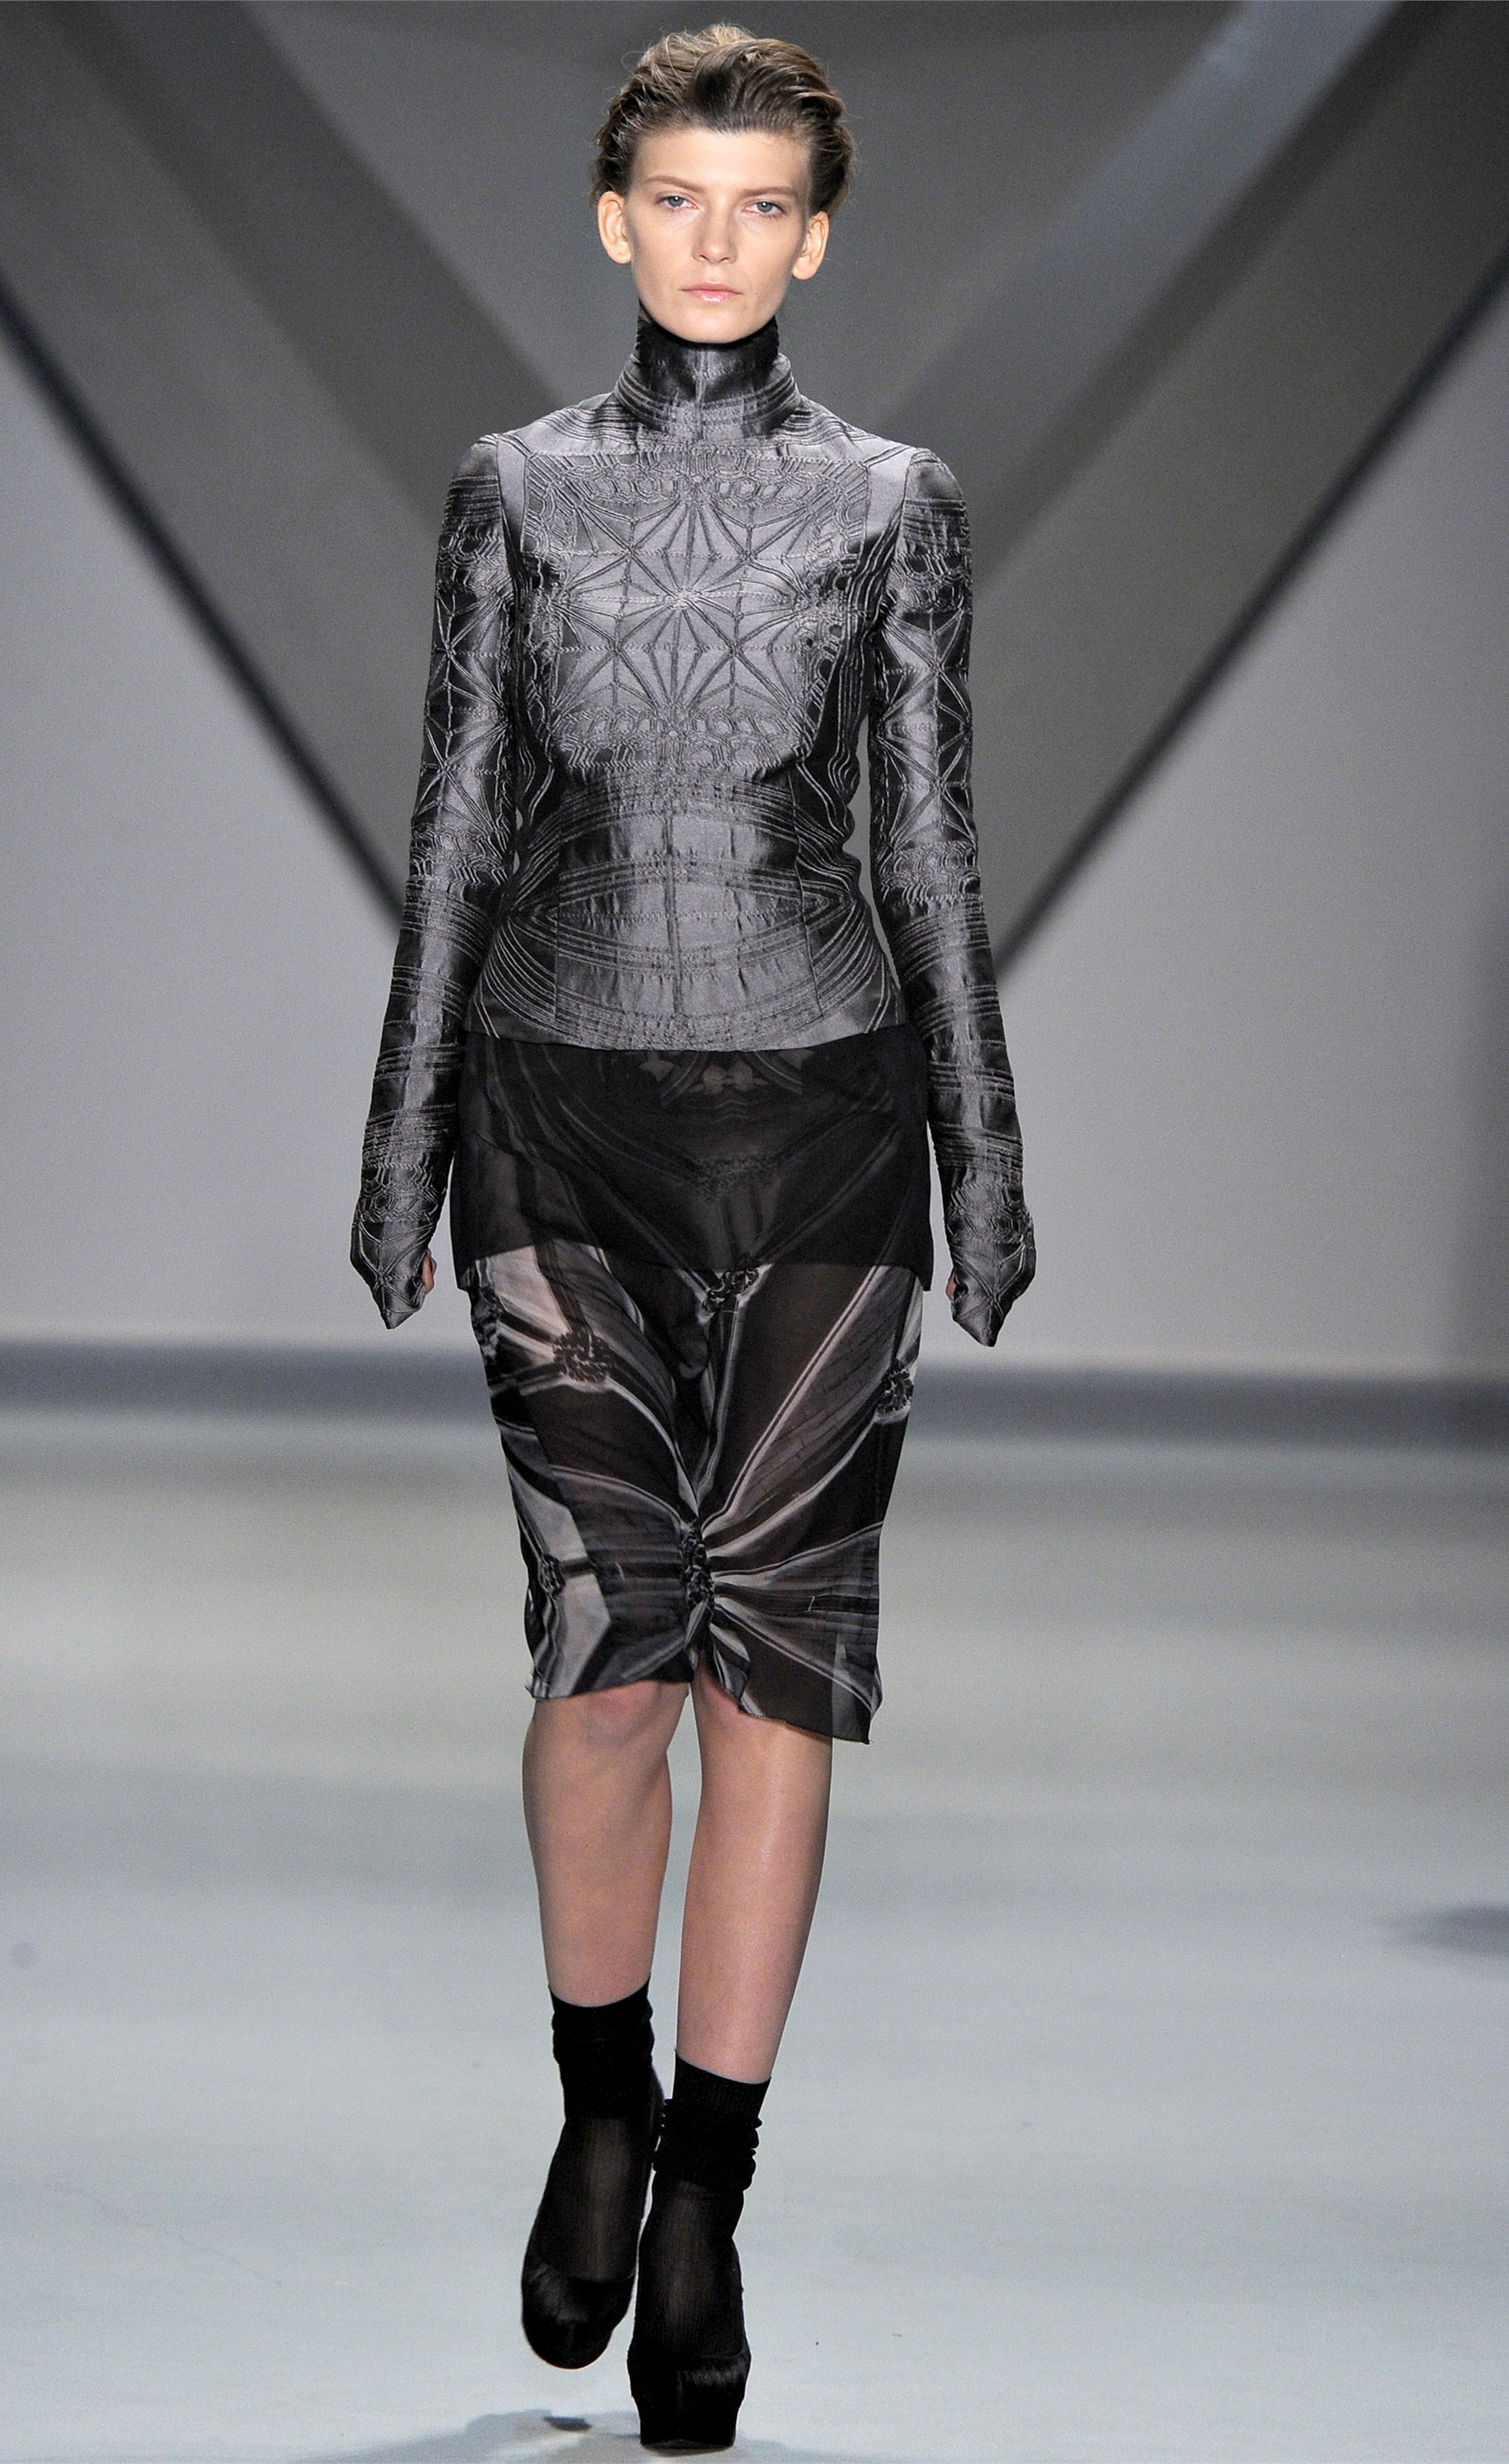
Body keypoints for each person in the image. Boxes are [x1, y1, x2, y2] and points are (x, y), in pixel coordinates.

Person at [353, 25, 1032, 2450]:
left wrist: (984, 1142)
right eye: (678, 196)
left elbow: (927, 836)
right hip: (558, 1116)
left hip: (824, 1122)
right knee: (607, 1658)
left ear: (816, 235)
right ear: (614, 217)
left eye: (761, 203)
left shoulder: (891, 504)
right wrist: (403, 1126)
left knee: (779, 1674)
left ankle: (711, 2191)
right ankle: (598, 2093)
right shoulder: (515, 492)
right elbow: (456, 816)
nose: (717, 238)